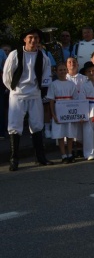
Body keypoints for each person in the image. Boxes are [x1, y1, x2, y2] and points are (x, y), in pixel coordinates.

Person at [3, 28, 53, 170]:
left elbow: (46, 77)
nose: (33, 40)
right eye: (30, 37)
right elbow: (7, 76)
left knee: (37, 125)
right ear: (24, 39)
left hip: (35, 94)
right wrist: (15, 89)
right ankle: (14, 159)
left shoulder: (43, 57)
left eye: (36, 38)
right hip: (18, 94)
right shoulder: (15, 54)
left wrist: (40, 91)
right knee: (15, 126)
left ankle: (40, 157)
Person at [46, 62, 79, 163]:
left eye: (64, 70)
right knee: (60, 135)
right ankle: (63, 155)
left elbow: (76, 100)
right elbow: (51, 100)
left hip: (69, 111)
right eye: (60, 70)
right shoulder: (53, 84)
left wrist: (75, 114)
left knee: (69, 134)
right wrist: (53, 114)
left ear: (67, 71)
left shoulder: (71, 84)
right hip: (59, 111)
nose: (62, 72)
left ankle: (70, 153)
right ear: (56, 72)